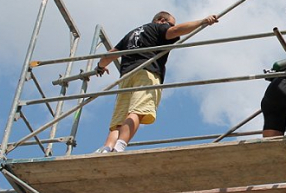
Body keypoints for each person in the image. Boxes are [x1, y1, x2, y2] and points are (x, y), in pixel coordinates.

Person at [94, 11, 219, 153]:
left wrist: (100, 67)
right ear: (161, 20)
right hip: (146, 73)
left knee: (119, 120)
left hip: (126, 77)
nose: (170, 27)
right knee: (137, 111)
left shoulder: (131, 34)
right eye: (170, 23)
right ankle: (119, 146)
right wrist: (202, 22)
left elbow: (110, 54)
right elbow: (175, 31)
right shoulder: (158, 28)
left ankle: (107, 147)